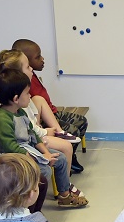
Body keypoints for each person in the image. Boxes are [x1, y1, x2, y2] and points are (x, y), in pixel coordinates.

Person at [0, 65, 88, 208]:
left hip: (30, 150)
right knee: (44, 171)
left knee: (60, 159)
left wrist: (46, 153)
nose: (30, 96)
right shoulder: (2, 119)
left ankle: (64, 195)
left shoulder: (19, 112)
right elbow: (12, 148)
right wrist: (40, 159)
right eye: (27, 93)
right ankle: (33, 207)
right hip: (15, 159)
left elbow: (33, 135)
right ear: (16, 98)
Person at [0, 49, 80, 176]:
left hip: (33, 137)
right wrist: (45, 134)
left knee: (39, 100)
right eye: (28, 67)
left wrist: (43, 145)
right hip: (27, 144)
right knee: (66, 147)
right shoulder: (8, 107)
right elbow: (16, 141)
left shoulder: (20, 99)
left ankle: (59, 132)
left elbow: (30, 125)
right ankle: (64, 185)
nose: (31, 69)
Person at [13, 39, 87, 175]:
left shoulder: (31, 77)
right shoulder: (22, 90)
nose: (42, 59)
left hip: (48, 116)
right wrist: (45, 131)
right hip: (40, 128)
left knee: (81, 121)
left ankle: (70, 158)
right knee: (73, 130)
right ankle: (67, 166)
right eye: (37, 57)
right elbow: (30, 124)